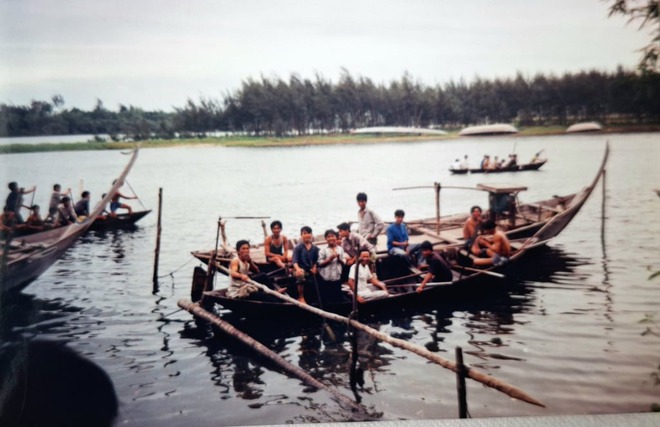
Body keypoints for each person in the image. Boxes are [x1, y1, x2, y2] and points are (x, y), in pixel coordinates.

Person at [317, 229, 347, 303]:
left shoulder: (340, 249)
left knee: (337, 298)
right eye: (328, 237)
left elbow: (344, 262)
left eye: (332, 236)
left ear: (336, 237)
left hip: (337, 279)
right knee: (327, 299)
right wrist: (329, 259)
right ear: (326, 239)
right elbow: (320, 263)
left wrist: (339, 259)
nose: (331, 238)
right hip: (326, 280)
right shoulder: (323, 250)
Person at [292, 226, 319, 304]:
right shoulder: (298, 247)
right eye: (305, 233)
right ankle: (301, 297)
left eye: (309, 233)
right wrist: (298, 269)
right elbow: (295, 261)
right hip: (300, 269)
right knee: (300, 274)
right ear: (301, 235)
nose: (307, 235)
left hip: (310, 269)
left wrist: (315, 267)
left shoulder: (315, 248)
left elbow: (316, 261)